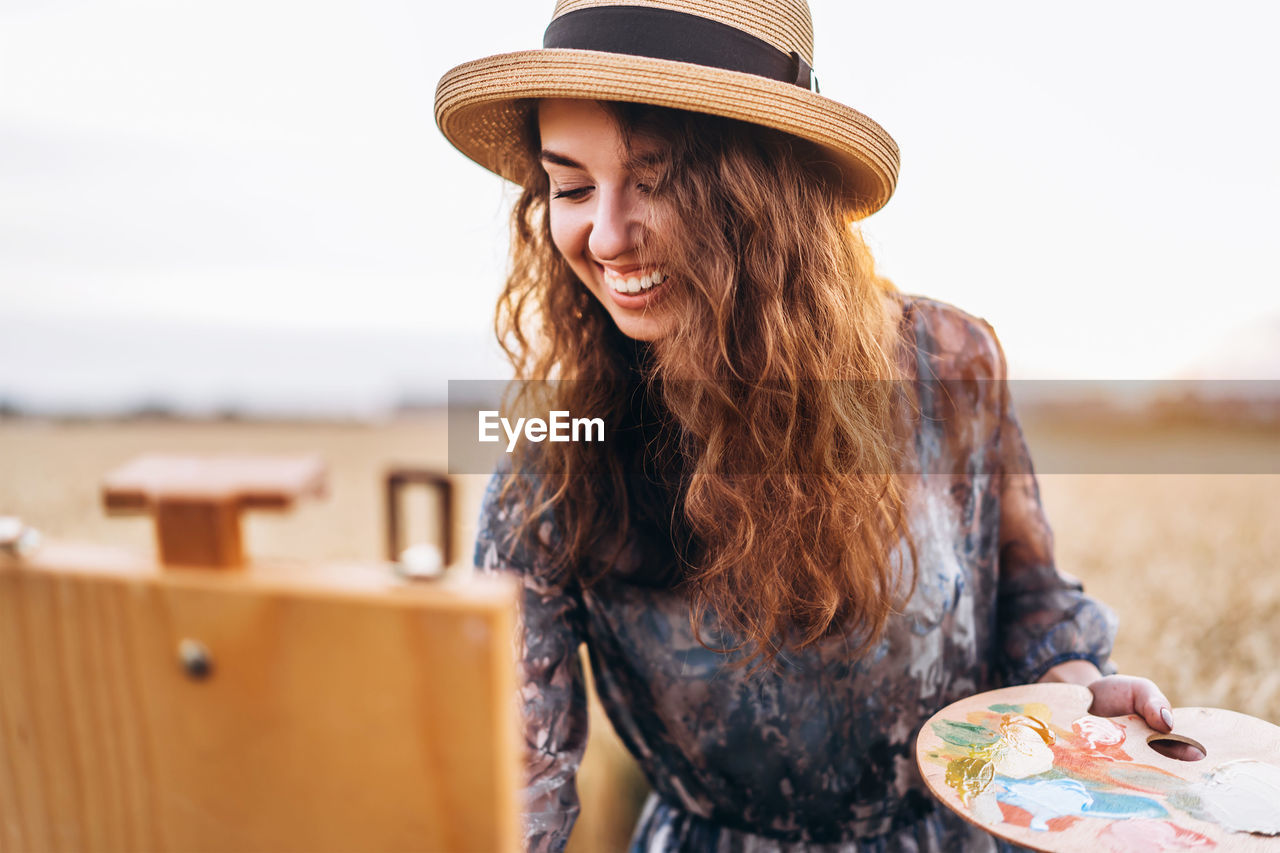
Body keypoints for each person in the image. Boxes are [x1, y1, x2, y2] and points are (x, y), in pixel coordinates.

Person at [436, 2, 1191, 850]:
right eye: (570, 187)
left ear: (767, 193)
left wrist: (1074, 678)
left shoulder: (949, 364)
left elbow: (1026, 597)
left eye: (657, 180)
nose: (606, 235)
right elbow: (515, 774)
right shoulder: (558, 452)